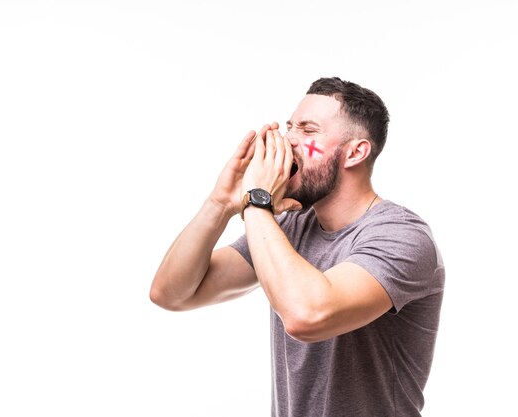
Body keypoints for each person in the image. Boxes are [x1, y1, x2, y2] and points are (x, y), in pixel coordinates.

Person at [150, 77, 445, 417]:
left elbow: (307, 316)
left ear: (355, 152)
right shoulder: (291, 226)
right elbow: (171, 293)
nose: (288, 140)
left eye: (308, 131)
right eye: (290, 127)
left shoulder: (402, 235)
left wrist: (256, 202)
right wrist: (220, 204)